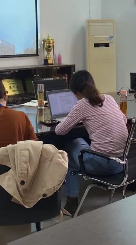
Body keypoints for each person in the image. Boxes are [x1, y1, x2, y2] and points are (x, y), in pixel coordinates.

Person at [55, 70, 129, 216]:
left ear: (75, 93)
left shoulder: (82, 105)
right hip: (123, 163)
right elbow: (124, 120)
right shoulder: (109, 98)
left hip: (103, 165)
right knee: (81, 143)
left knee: (70, 145)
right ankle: (71, 201)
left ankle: (71, 204)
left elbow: (59, 131)